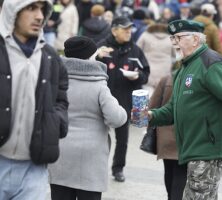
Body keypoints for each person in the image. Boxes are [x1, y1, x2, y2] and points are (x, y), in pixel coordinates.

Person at [147, 19, 222, 200]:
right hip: (193, 148)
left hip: (209, 149)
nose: (174, 43)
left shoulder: (211, 63)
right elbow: (172, 109)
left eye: (178, 38)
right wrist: (150, 116)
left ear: (195, 40)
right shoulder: (183, 68)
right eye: (172, 39)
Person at [0, 0, 69, 199]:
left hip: (34, 168)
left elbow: (61, 99)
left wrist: (56, 123)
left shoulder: (51, 57)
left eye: (42, 9)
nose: (39, 16)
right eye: (31, 8)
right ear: (13, 11)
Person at [48, 36, 127, 200]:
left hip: (60, 152)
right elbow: (117, 119)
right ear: (90, 56)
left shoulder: (54, 80)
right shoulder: (99, 85)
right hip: (90, 159)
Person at [96, 16, 150, 182]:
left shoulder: (135, 50)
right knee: (98, 137)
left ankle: (118, 169)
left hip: (125, 100)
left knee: (123, 139)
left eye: (130, 29)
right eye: (124, 29)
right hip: (101, 100)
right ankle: (98, 167)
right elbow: (86, 67)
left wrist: (138, 76)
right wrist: (97, 57)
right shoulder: (101, 47)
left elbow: (145, 74)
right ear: (114, 30)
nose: (128, 32)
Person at [149, 70, 187, 200]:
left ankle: (170, 196)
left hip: (165, 136)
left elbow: (152, 105)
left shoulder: (166, 80)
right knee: (180, 174)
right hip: (185, 136)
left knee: (169, 172)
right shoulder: (193, 82)